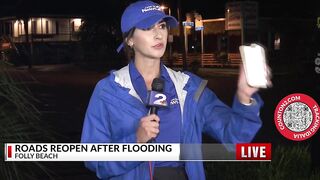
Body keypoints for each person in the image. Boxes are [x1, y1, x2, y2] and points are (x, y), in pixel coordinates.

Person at [81, 0, 271, 179]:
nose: (158, 34)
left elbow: (235, 136)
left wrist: (245, 97)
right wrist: (136, 141)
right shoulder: (108, 90)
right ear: (130, 39)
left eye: (162, 26)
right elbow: (94, 159)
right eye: (148, 28)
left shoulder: (188, 87)